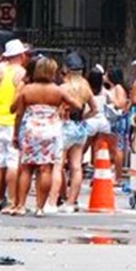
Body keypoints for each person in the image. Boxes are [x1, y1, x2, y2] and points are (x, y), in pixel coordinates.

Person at [13, 57, 80, 216]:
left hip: (32, 129)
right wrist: (64, 108)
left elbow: (17, 113)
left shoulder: (27, 89)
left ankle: (21, 205)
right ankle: (40, 207)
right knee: (46, 169)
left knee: (26, 168)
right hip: (51, 130)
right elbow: (78, 105)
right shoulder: (58, 90)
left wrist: (16, 134)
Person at [0, 39, 28, 212]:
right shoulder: (22, 73)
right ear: (22, 55)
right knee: (12, 162)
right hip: (13, 122)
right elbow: (20, 100)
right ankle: (12, 199)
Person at [60, 53, 97, 213]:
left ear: (66, 69)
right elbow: (95, 109)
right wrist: (84, 117)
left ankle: (60, 195)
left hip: (65, 126)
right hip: (80, 126)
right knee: (76, 166)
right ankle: (71, 201)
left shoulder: (63, 88)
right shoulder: (85, 86)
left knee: (59, 165)